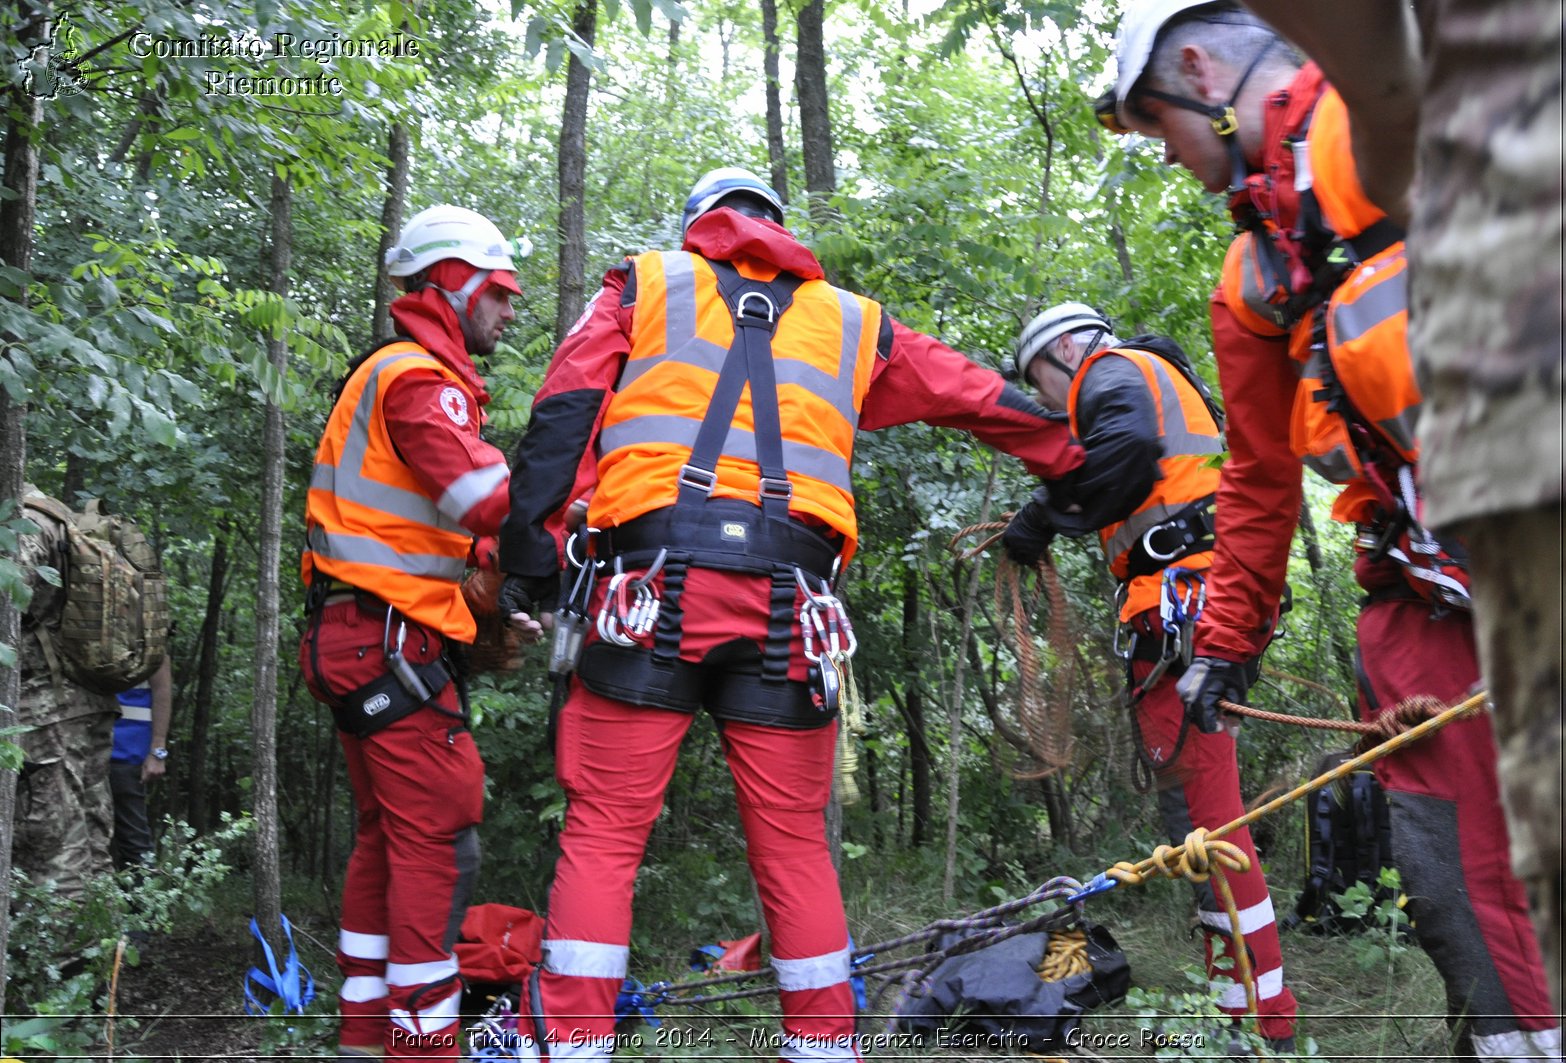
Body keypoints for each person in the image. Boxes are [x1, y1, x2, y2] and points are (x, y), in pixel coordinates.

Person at [496, 166, 1084, 1062]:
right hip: (791, 606)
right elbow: (975, 394)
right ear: (778, 225)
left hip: (647, 593)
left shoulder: (643, 283)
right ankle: (823, 1049)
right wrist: (1078, 453)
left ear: (698, 224)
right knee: (796, 843)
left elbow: (565, 408)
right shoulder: (852, 322)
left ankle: (573, 1045)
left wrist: (531, 558)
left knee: (607, 831)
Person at [1097, 3, 1562, 1059]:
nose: (1168, 159)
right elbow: (1259, 478)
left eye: (1155, 127)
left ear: (1202, 70)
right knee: (1452, 877)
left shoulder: (1395, 104)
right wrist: (1223, 642)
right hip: (1426, 598)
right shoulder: (1254, 277)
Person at [1000, 303, 1297, 1052]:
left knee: (1211, 822)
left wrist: (1044, 514)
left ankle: (1263, 1021)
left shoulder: (1113, 371)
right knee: (1195, 822)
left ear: (1066, 348)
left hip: (1184, 608)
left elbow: (1125, 447)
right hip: (1190, 604)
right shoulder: (1150, 378)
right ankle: (1239, 1001)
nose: (1042, 397)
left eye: (1038, 375)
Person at [299, 204, 523, 1058]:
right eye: (500, 291)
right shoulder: (416, 379)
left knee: (389, 840)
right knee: (440, 842)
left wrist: (492, 596)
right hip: (386, 643)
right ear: (454, 284)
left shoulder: (401, 374)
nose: (511, 307)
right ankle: (423, 1048)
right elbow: (486, 501)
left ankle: (366, 1035)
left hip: (362, 637)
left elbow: (437, 535)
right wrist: (585, 496)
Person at [10, 484, 118, 900]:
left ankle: (65, 960)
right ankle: (103, 953)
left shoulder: (23, 522)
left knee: (56, 846)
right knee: (92, 838)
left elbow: (11, 597)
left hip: (46, 710)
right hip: (88, 699)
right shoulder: (58, 514)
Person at [109, 654, 172, 871]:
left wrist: (157, 752)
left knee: (133, 842)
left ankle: (144, 903)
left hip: (127, 753)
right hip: (79, 751)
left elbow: (162, 690)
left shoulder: (147, 632)